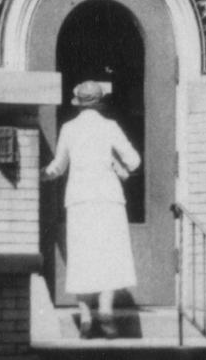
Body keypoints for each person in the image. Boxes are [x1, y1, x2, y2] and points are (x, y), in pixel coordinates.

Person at [45, 79, 142, 338]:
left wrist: (45, 174)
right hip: (109, 199)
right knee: (110, 254)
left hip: (80, 200)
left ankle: (86, 315)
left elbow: (58, 166)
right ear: (100, 102)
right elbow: (134, 161)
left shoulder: (69, 128)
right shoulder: (110, 126)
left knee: (82, 255)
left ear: (77, 104)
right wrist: (114, 163)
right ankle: (106, 310)